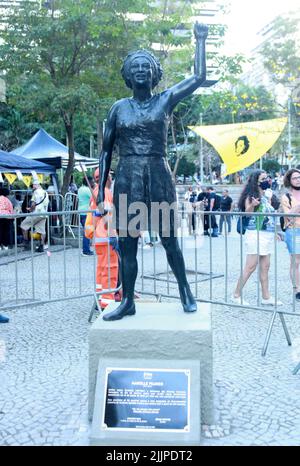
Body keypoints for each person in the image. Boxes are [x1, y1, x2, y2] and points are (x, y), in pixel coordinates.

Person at [97, 23, 213, 321]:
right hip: (127, 177)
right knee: (127, 242)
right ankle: (127, 301)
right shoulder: (118, 108)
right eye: (134, 66)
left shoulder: (165, 100)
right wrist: (100, 192)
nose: (139, 70)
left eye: (145, 66)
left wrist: (200, 39)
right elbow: (106, 151)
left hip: (158, 174)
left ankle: (185, 290)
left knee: (169, 239)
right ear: (127, 74)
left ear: (153, 73)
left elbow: (198, 78)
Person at [232, 170, 282, 306]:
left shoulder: (266, 195)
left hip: (267, 234)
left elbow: (270, 216)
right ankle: (236, 295)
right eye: (264, 178)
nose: (267, 180)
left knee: (265, 266)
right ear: (256, 181)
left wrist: (275, 232)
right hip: (255, 234)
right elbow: (247, 214)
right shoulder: (251, 195)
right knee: (250, 266)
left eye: (267, 177)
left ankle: (266, 297)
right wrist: (252, 205)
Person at [85, 168, 118, 309]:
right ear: (107, 177)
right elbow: (107, 217)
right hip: (106, 237)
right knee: (110, 269)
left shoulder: (96, 191)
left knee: (102, 270)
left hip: (99, 237)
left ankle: (101, 297)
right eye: (110, 176)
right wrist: (113, 236)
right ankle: (107, 302)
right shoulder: (105, 192)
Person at [281, 169, 300, 301]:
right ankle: (297, 289)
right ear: (289, 180)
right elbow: (288, 215)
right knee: (296, 260)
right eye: (295, 178)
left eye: (299, 177)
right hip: (293, 230)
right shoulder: (286, 197)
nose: (298, 180)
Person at [21, 179, 49, 252]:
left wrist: (30, 209)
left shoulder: (36, 192)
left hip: (36, 213)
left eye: (33, 185)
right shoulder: (45, 192)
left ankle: (26, 243)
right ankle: (41, 246)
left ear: (36, 185)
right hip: (44, 214)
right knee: (42, 230)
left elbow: (33, 204)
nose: (32, 187)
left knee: (23, 225)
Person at [78, 177, 94, 256]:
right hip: (86, 212)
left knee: (86, 231)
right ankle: (86, 250)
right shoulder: (87, 190)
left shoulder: (80, 189)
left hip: (81, 212)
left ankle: (86, 249)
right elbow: (94, 197)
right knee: (87, 232)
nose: (93, 182)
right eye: (92, 181)